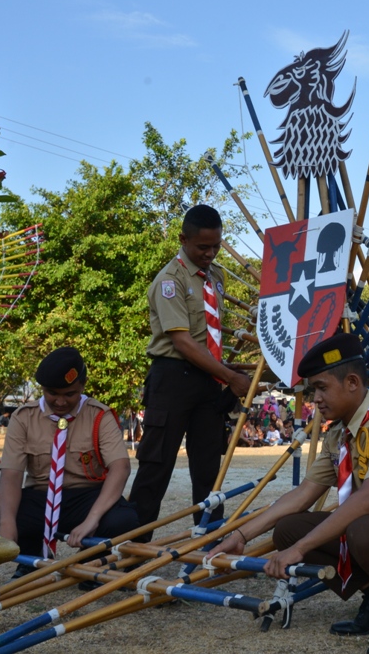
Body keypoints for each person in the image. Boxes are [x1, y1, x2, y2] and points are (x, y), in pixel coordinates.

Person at [208, 333, 369, 654]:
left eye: (322, 388)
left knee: (361, 528)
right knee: (290, 527)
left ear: (353, 382)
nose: (316, 399)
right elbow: (304, 494)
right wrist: (242, 534)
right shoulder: (340, 433)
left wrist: (299, 550)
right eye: (313, 390)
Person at [129, 205, 252, 530]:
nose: (210, 253)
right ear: (184, 239)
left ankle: (208, 542)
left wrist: (223, 374)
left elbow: (210, 335)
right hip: (173, 379)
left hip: (208, 381)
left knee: (209, 468)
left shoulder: (216, 277)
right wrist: (230, 378)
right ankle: (127, 551)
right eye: (202, 247)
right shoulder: (170, 281)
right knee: (156, 467)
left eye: (216, 246)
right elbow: (183, 342)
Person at [0, 347, 139, 565]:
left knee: (123, 520)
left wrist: (92, 519)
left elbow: (120, 467)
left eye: (70, 394)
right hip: (40, 497)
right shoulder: (24, 418)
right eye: (52, 393)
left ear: (82, 386)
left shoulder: (99, 416)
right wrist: (7, 522)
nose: (60, 402)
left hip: (86, 498)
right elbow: (11, 475)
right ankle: (30, 561)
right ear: (42, 388)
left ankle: (93, 564)